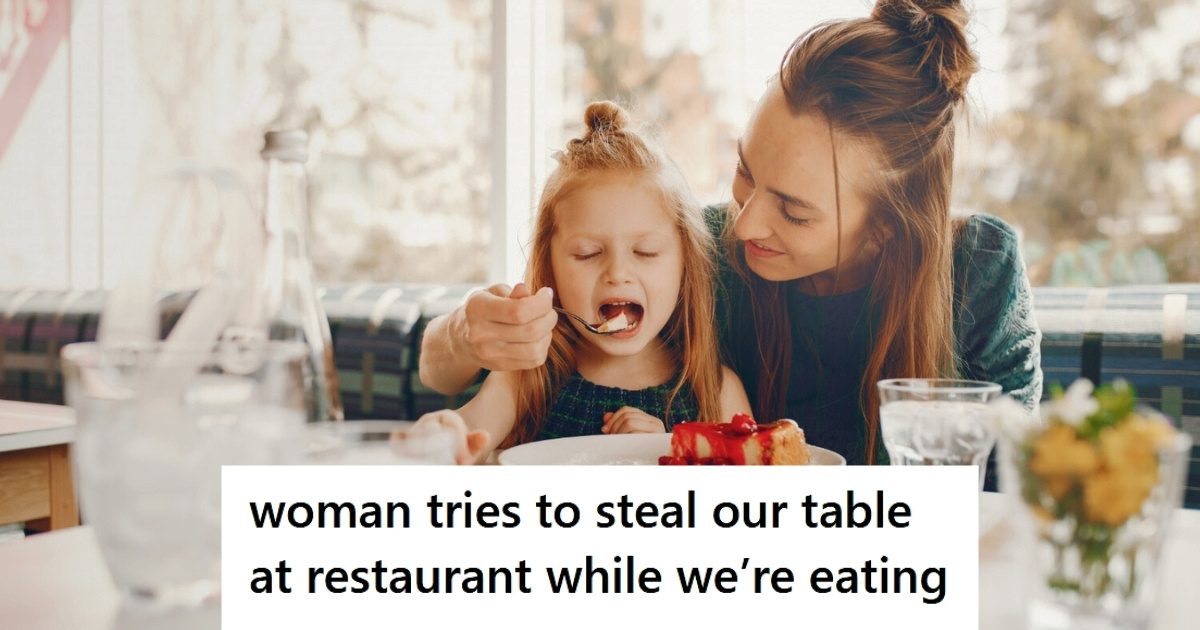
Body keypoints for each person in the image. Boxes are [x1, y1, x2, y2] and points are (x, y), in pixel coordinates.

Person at [419, 0, 1042, 466]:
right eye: (745, 172)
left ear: (884, 227)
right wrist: (466, 334)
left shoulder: (980, 273)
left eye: (794, 211)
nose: (742, 225)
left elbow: (1008, 496)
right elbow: (449, 374)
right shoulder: (695, 249)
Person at [416, 101, 752, 464]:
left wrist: (666, 457)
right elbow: (467, 437)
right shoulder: (526, 376)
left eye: (646, 252)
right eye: (589, 253)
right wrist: (441, 436)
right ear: (551, 265)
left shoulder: (716, 391)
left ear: (686, 263)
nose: (617, 273)